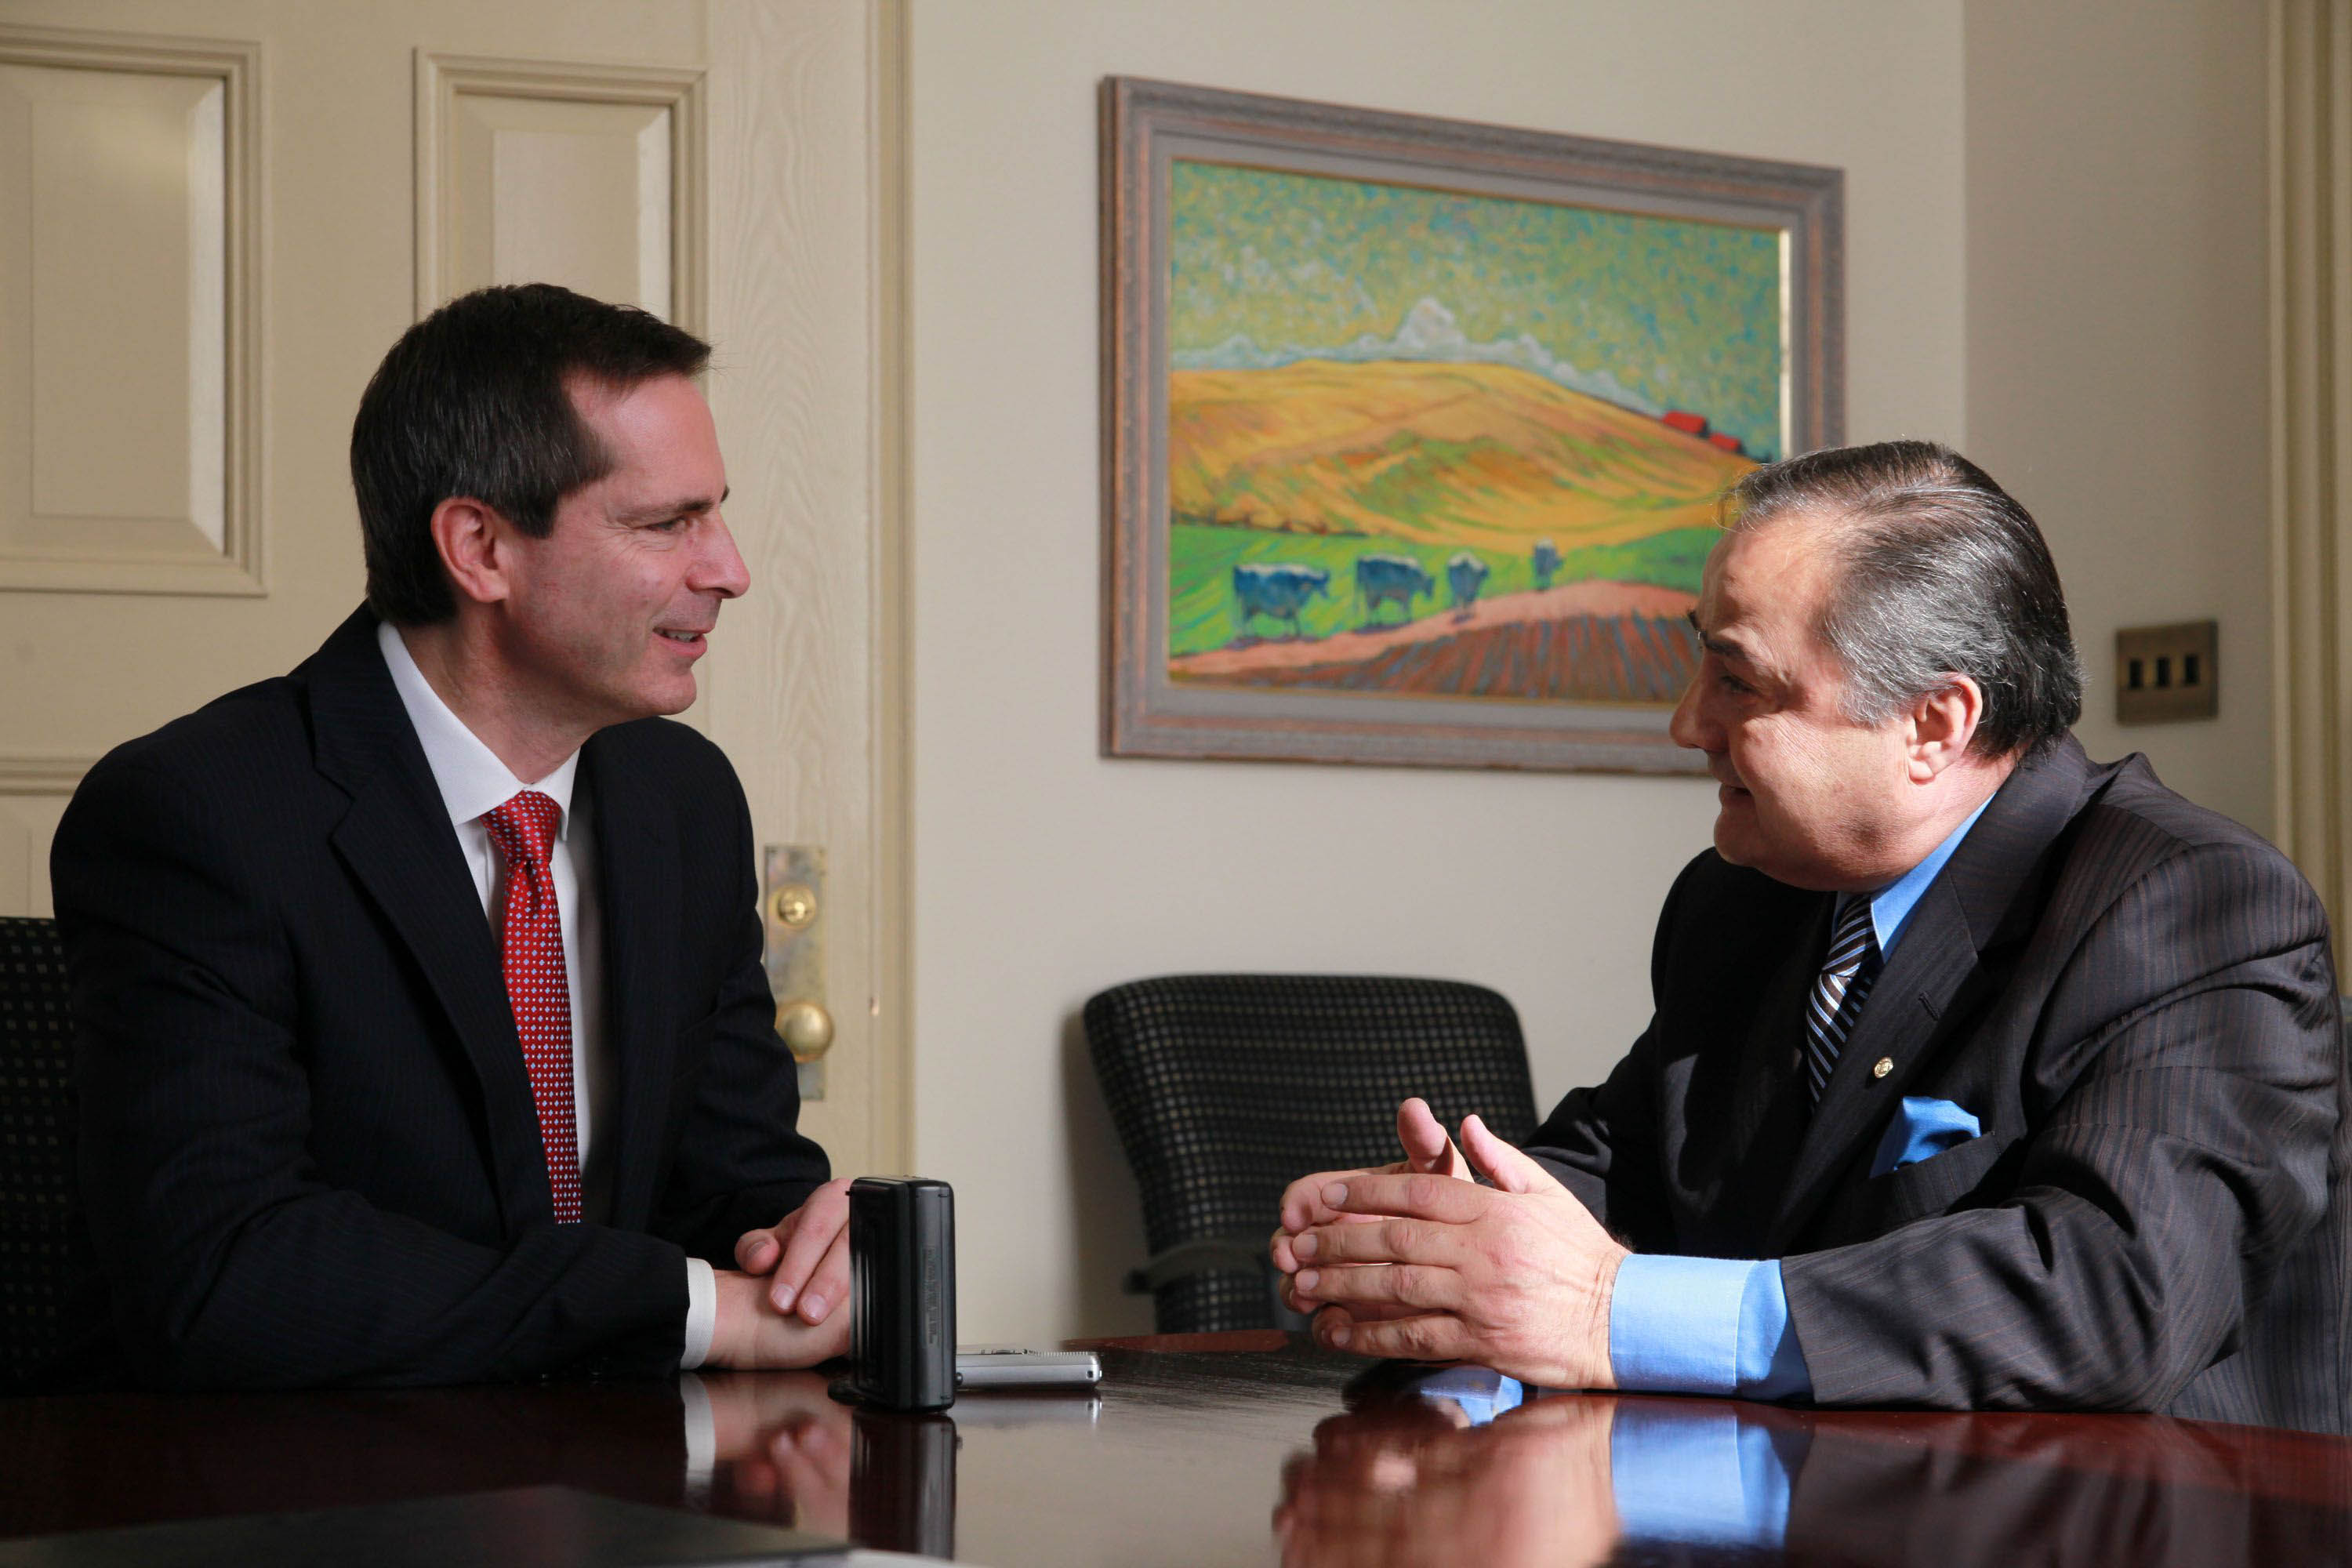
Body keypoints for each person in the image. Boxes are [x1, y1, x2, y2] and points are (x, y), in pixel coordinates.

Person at [1272, 440, 2349, 1433]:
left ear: (1933, 724)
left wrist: (1605, 1307)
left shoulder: (2193, 904)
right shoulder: (1741, 900)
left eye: (1737, 681)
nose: (1686, 725)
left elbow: (2118, 1291)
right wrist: (1438, 1238)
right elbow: (1633, 1166)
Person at [50, 284, 853, 1388]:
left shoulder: (686, 799)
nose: (730, 570)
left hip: (630, 1470)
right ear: (480, 548)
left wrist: (816, 1256)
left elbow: (735, 1184)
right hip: (294, 1475)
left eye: (714, 514)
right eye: (668, 523)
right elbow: (226, 1271)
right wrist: (693, 1307)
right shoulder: (198, 812)